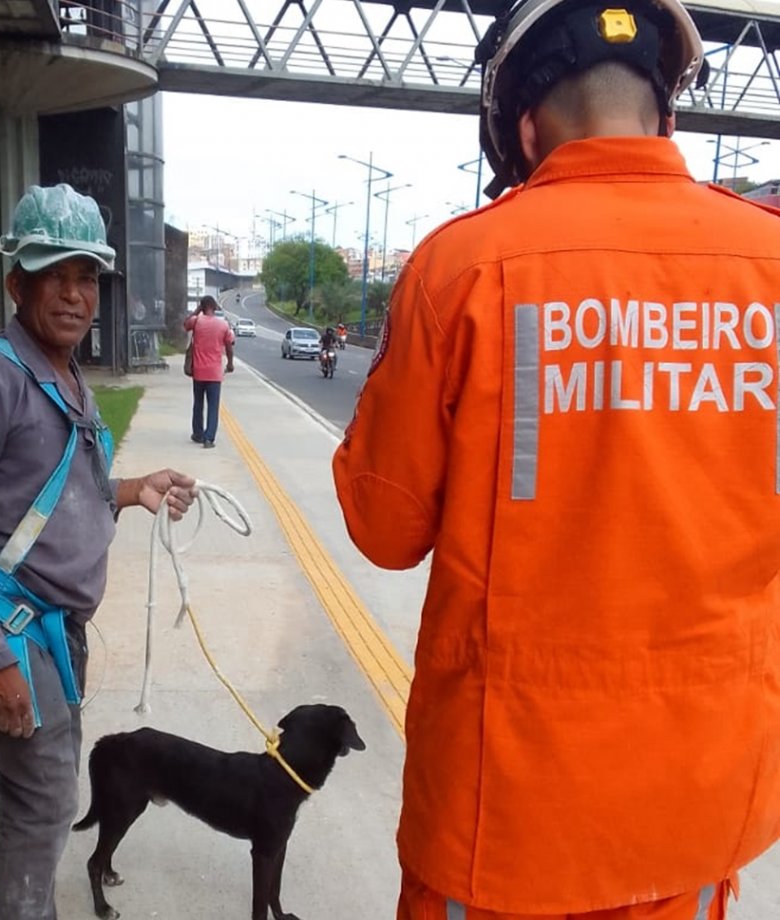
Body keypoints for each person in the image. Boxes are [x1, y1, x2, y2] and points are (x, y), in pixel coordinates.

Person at [333, 1, 780, 918]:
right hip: (696, 813)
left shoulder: (462, 267)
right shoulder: (769, 264)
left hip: (505, 824)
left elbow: (384, 528)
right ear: (666, 113)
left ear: (525, 126)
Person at [0, 183, 196, 920]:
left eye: (86, 278)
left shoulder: (65, 372)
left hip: (54, 633)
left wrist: (135, 489)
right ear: (16, 283)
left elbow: (65, 490)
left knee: (45, 796)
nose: (74, 295)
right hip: (10, 632)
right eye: (55, 276)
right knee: (44, 802)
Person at [183, 294, 234, 448]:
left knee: (198, 404)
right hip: (214, 373)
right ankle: (209, 439)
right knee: (213, 406)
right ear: (215, 307)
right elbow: (230, 344)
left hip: (198, 372)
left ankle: (197, 434)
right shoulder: (223, 325)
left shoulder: (196, 321)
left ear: (202, 307)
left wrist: (197, 310)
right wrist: (230, 363)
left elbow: (185, 324)